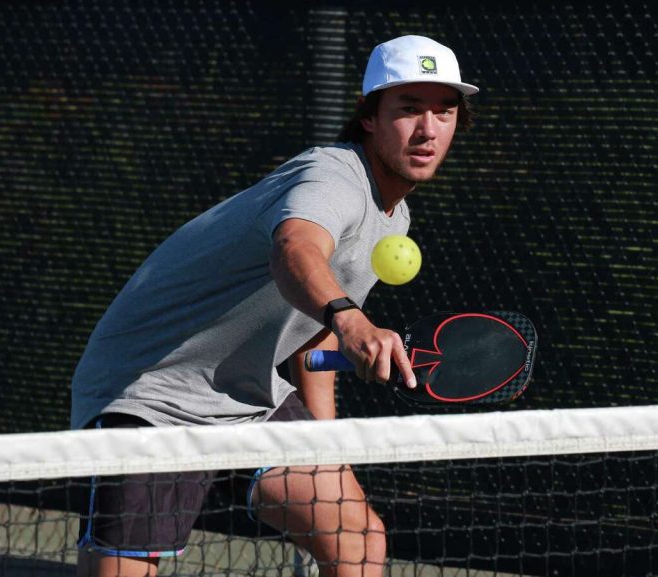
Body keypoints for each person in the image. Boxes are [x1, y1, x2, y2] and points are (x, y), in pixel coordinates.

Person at [71, 34, 478, 577]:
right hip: (154, 395)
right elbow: (296, 249)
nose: (428, 129)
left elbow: (315, 332)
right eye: (408, 110)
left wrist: (325, 442)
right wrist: (351, 317)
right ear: (369, 118)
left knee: (357, 539)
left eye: (444, 112)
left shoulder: (393, 215)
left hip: (251, 398)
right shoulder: (330, 177)